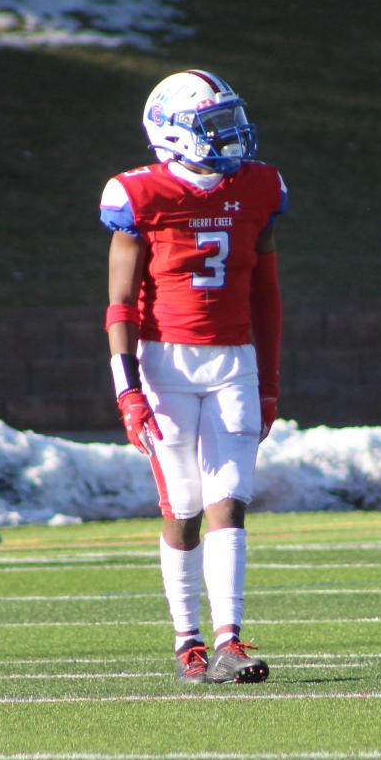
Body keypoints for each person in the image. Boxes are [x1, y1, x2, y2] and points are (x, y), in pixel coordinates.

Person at [100, 69, 284, 684]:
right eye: (213, 124)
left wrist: (269, 381)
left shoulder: (258, 188)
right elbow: (120, 305)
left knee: (228, 501)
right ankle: (189, 645)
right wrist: (126, 389)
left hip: (234, 360)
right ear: (173, 133)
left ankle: (231, 640)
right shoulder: (139, 196)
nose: (230, 135)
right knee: (183, 505)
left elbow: (267, 296)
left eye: (229, 120)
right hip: (164, 362)